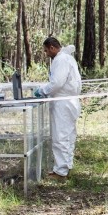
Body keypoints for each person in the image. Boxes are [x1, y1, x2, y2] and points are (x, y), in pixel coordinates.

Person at [35, 37, 82, 181]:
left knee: (60, 136)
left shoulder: (61, 60)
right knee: (68, 136)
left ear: (52, 47)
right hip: (69, 101)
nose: (46, 53)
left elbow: (57, 83)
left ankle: (61, 172)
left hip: (63, 102)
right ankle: (66, 167)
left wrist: (42, 91)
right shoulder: (67, 58)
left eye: (46, 50)